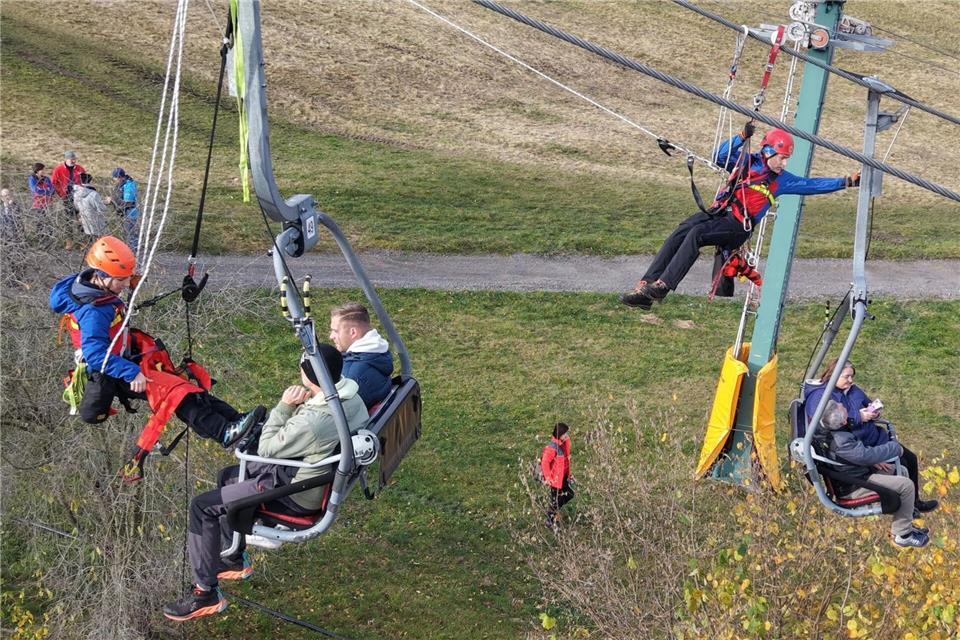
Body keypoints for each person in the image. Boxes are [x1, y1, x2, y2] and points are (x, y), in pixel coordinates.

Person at [162, 344, 370, 621]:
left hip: (293, 494)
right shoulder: (352, 398)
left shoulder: (315, 421)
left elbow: (267, 448)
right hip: (311, 478)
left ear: (310, 377)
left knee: (202, 507)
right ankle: (233, 557)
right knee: (228, 476)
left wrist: (285, 406)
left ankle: (205, 592)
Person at [49, 236, 264, 470]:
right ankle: (224, 432)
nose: (125, 284)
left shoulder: (86, 283)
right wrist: (131, 373)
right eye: (121, 280)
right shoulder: (94, 311)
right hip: (114, 371)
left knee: (183, 386)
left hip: (125, 358)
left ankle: (235, 420)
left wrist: (129, 278)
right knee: (176, 394)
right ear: (100, 276)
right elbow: (95, 356)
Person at [620, 123, 860, 310]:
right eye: (782, 157)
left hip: (737, 226)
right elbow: (719, 156)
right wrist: (741, 137)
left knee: (697, 234)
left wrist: (846, 181)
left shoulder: (782, 180)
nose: (784, 163)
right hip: (720, 214)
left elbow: (812, 185)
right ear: (768, 151)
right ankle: (645, 288)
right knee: (682, 229)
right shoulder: (746, 162)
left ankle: (663, 286)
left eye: (786, 158)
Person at [804, 358, 939, 516]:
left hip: (873, 436)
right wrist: (858, 417)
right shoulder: (823, 397)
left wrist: (873, 412)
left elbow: (865, 404)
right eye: (847, 376)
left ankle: (915, 503)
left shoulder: (851, 390)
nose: (851, 380)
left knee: (910, 458)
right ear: (833, 375)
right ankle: (909, 510)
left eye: (852, 376)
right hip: (863, 443)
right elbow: (832, 424)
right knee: (901, 464)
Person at [816, 400, 931, 547]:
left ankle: (904, 523)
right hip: (855, 485)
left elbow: (855, 456)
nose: (844, 405)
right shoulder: (841, 441)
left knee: (899, 470)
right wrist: (894, 448)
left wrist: (869, 461)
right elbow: (865, 455)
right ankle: (903, 536)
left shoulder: (826, 431)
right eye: (842, 408)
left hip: (854, 472)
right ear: (843, 421)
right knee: (906, 486)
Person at [328, 302, 393, 409]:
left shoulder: (351, 378)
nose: (331, 336)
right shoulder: (378, 353)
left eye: (335, 331)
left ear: (353, 332)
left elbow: (336, 413)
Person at [541, 422, 574, 526]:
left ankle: (554, 511)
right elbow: (545, 463)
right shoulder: (552, 448)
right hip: (555, 480)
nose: (567, 435)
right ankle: (550, 519)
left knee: (570, 494)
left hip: (564, 476)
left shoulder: (565, 442)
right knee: (556, 500)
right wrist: (548, 478)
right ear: (559, 434)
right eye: (565, 434)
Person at [105, 167, 140, 254]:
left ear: (119, 177)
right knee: (125, 234)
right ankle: (127, 251)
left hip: (130, 213)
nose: (114, 180)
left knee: (130, 234)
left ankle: (132, 253)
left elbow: (128, 202)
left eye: (115, 178)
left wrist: (112, 200)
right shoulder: (121, 184)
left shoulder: (129, 185)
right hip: (123, 213)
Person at [73, 173, 109, 238]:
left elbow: (76, 207)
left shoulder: (76, 194)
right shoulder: (94, 194)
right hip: (96, 225)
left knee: (87, 241)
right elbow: (102, 209)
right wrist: (105, 202)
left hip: (84, 223)